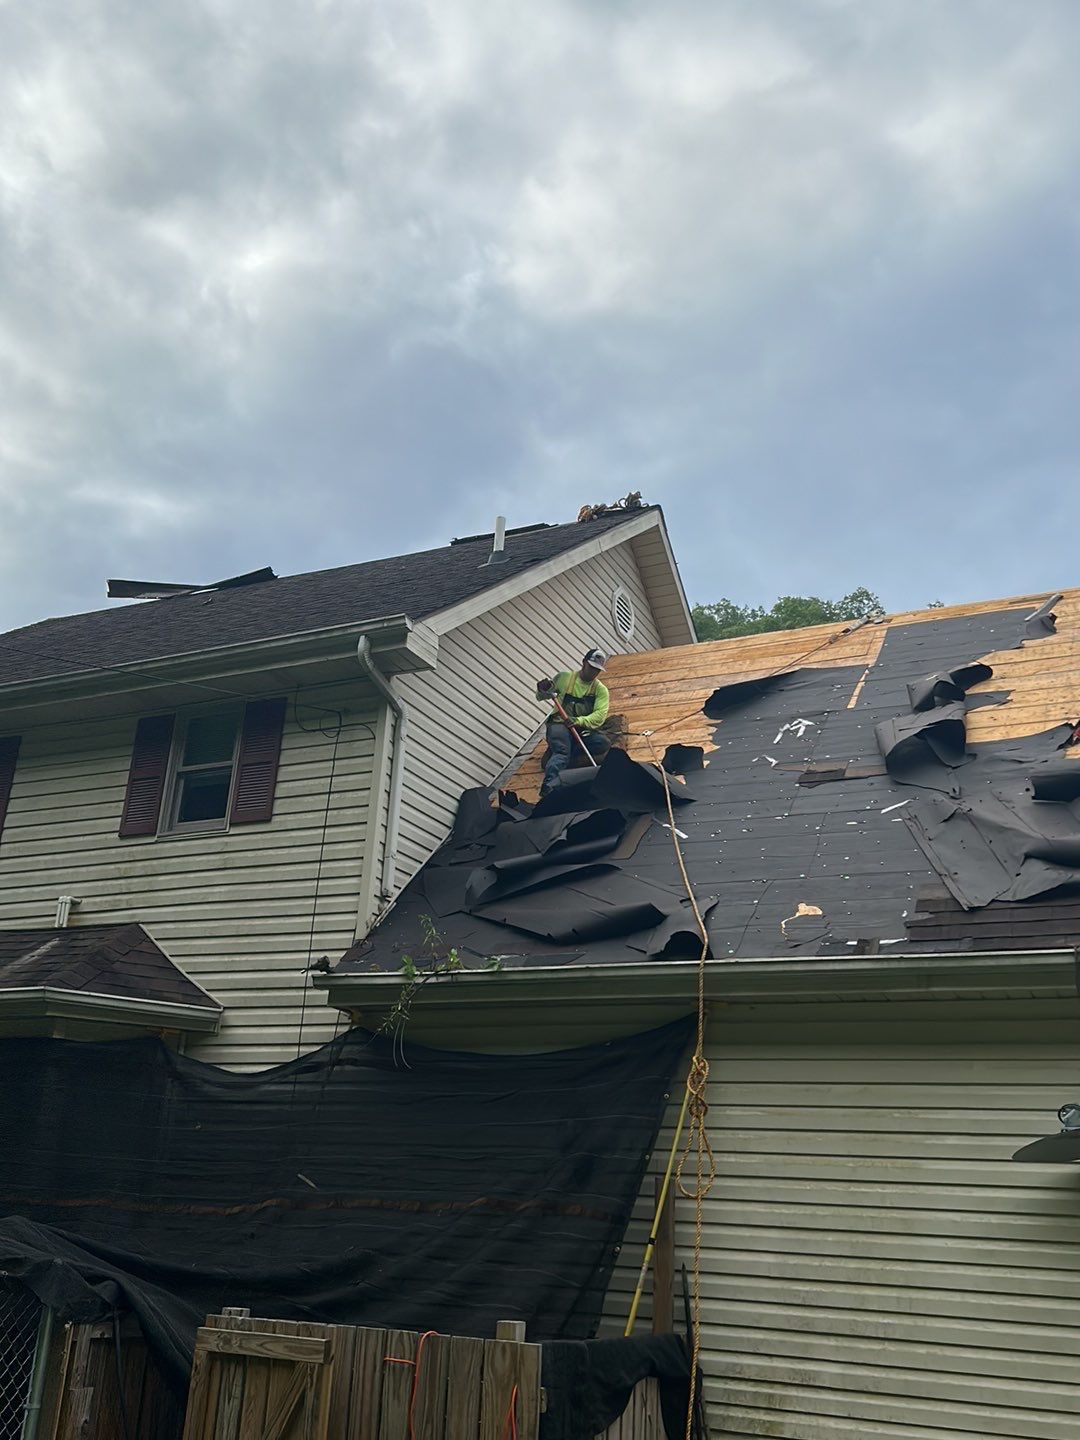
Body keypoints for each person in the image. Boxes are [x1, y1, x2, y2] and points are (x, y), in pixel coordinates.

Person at [536, 648, 611, 796]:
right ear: (583, 663)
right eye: (591, 668)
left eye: (597, 670)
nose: (593, 673)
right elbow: (541, 696)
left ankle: (558, 753)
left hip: (579, 727)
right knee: (563, 752)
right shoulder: (564, 678)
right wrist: (542, 690)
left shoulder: (600, 690)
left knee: (602, 743)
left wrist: (578, 721)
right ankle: (549, 786)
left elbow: (600, 716)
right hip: (559, 724)